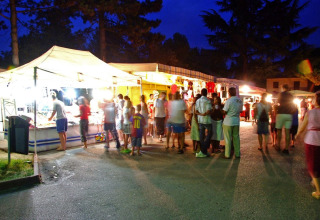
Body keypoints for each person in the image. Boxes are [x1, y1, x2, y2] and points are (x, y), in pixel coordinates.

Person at [295, 91, 320, 200]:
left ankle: (318, 192)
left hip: (312, 140)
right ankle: (315, 181)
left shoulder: (311, 112)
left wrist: (297, 134)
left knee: (312, 164)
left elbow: (303, 126)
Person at [222, 87, 243, 159]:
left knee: (228, 138)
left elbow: (224, 111)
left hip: (228, 121)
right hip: (236, 121)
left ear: (229, 93)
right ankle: (237, 153)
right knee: (236, 138)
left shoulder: (229, 101)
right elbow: (240, 111)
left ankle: (227, 154)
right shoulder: (239, 100)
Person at [275, 84, 294, 154]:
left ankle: (278, 146)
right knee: (287, 132)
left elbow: (277, 103)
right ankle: (286, 148)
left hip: (281, 113)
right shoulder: (291, 95)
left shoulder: (280, 94)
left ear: (283, 88)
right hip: (289, 115)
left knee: (279, 130)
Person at [195, 88, 213, 158]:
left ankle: (203, 151)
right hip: (207, 120)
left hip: (200, 120)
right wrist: (205, 114)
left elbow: (196, 111)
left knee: (201, 135)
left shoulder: (198, 101)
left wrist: (200, 114)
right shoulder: (207, 101)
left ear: (201, 93)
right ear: (207, 93)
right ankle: (204, 149)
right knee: (210, 133)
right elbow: (209, 110)